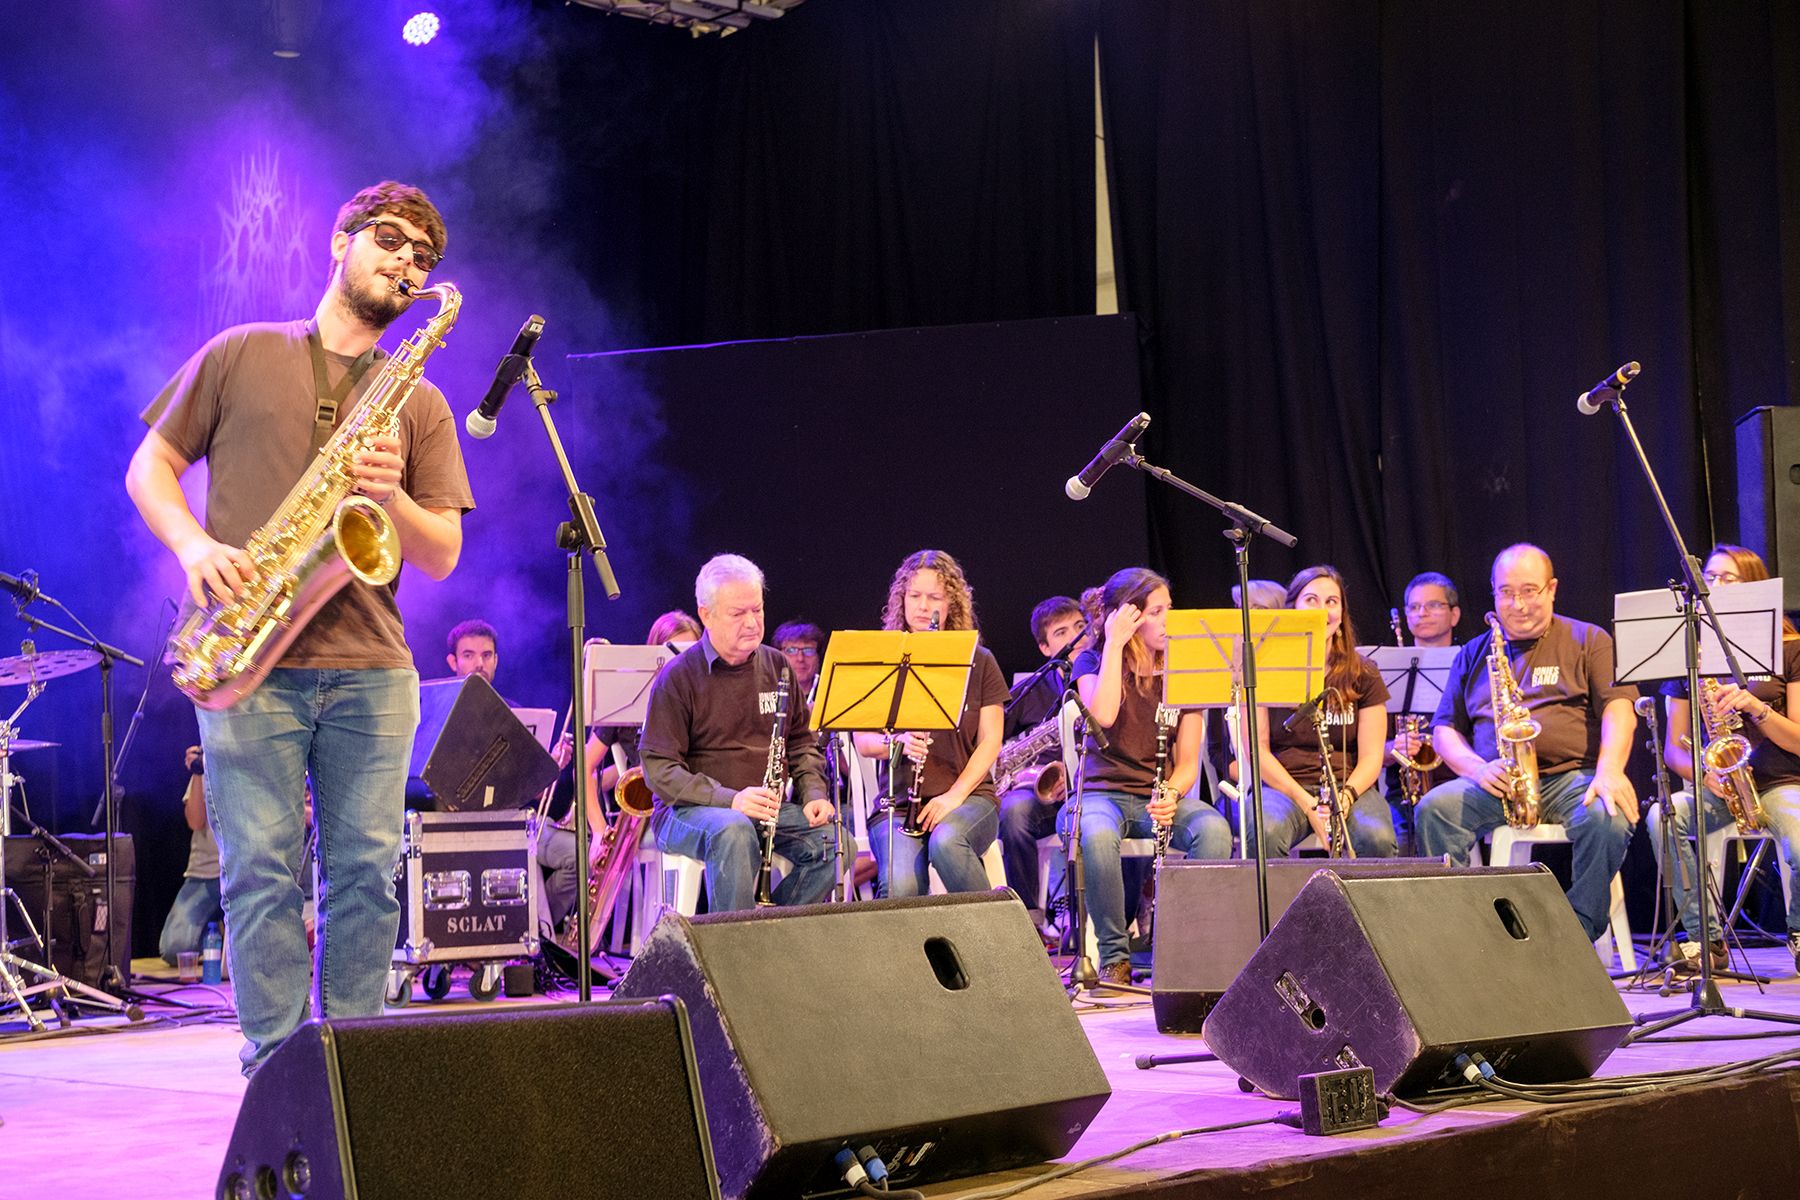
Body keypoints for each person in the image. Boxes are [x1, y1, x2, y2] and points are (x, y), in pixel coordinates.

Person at [126, 181, 472, 1073]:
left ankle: (354, 1067)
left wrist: (390, 493)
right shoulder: (241, 352)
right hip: (249, 652)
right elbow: (151, 467)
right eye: (392, 241)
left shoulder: (418, 400)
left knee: (365, 875)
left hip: (371, 665)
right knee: (258, 875)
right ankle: (276, 1071)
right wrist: (195, 545)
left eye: (424, 258)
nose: (407, 263)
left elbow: (440, 554)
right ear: (340, 240)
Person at [1415, 544, 1637, 943]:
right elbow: (1444, 730)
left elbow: (1619, 708)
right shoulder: (1472, 653)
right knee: (1434, 810)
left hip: (1574, 778)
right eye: (1505, 592)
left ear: (1552, 589)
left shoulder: (1589, 639)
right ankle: (1461, 935)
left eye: (1529, 591)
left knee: (1608, 817)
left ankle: (1576, 936)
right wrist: (1477, 769)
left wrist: (1610, 770)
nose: (1517, 604)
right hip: (1497, 782)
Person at [1062, 568, 1234, 985]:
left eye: (1168, 609)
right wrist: (1116, 644)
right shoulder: (1092, 659)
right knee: (1098, 835)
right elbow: (1101, 715)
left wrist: (1173, 793)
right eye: (1156, 612)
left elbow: (1189, 762)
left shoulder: (1186, 665)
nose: (1167, 620)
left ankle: (1183, 949)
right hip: (1100, 795)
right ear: (1128, 616)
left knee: (1213, 829)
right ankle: (1115, 957)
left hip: (1156, 794)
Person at [640, 555, 836, 911]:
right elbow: (659, 768)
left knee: (832, 843)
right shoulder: (678, 677)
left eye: (757, 610)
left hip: (761, 808)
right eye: (737, 614)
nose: (752, 623)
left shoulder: (777, 665)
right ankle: (735, 953)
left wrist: (813, 793)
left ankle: (764, 936)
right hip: (687, 812)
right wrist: (730, 799)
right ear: (706, 615)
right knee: (733, 830)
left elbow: (800, 742)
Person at [1655, 544, 1800, 974]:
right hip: (1719, 786)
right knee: (1665, 816)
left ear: (1755, 585)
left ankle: (1798, 931)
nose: (1712, 587)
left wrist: (1758, 709)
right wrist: (1704, 774)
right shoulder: (1689, 653)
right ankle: (1706, 939)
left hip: (1781, 783)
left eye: (1725, 578)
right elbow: (1672, 750)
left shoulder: (1790, 648)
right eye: (1709, 578)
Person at [851, 550, 1008, 898]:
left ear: (951, 603)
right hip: (899, 803)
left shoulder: (979, 661)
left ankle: (993, 943)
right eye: (914, 596)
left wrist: (953, 797)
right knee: (902, 885)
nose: (923, 606)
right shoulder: (884, 658)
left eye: (934, 597)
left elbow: (990, 741)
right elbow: (863, 742)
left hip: (968, 799)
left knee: (948, 842)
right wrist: (899, 744)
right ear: (901, 599)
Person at [1249, 567, 1399, 858]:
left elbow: (1371, 755)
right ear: (1292, 607)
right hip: (1284, 788)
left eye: (1331, 602)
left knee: (1377, 838)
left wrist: (1346, 797)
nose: (1322, 610)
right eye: (1311, 600)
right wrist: (1306, 802)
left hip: (1348, 786)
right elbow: (1258, 752)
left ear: (1342, 613)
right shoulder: (1264, 669)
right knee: (1266, 832)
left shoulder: (1363, 672)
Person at [996, 594, 1089, 924]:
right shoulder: (1029, 690)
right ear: (1045, 648)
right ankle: (1029, 917)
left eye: (1081, 627)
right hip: (1041, 794)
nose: (1076, 637)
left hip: (1091, 787)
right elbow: (995, 741)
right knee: (1014, 812)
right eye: (1061, 632)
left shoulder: (1102, 678)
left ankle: (1115, 915)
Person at [159, 746, 225, 965]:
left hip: (245, 872)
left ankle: (220, 938)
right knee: (175, 949)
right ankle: (214, 934)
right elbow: (195, 821)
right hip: (205, 874)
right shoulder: (210, 762)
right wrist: (198, 771)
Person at [772, 620, 826, 705]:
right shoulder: (763, 694)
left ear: (818, 657)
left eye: (808, 650)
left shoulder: (831, 696)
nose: (800, 658)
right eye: (791, 650)